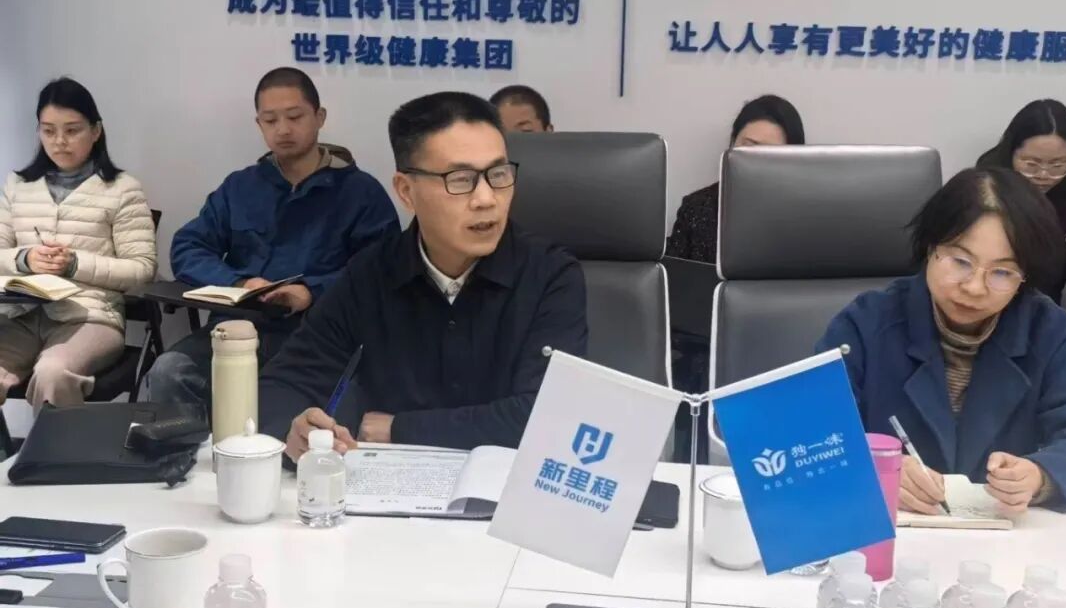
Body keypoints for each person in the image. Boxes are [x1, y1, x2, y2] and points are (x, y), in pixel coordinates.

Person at [259, 91, 587, 460]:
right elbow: (283, 383)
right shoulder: (371, 274)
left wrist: (399, 428)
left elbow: (547, 416)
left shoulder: (549, 275)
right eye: (460, 179)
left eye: (498, 174)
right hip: (389, 486)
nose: (486, 199)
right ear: (406, 191)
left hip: (504, 484)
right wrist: (296, 428)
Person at [817, 167, 1066, 515]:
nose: (974, 287)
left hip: (1008, 536)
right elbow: (813, 432)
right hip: (892, 527)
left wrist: (1041, 476)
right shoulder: (865, 323)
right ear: (931, 247)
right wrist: (872, 468)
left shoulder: (1050, 331)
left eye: (1002, 272)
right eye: (960, 261)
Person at [145, 67, 397, 409]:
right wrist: (240, 283)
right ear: (259, 124)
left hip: (320, 335)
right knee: (169, 373)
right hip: (238, 329)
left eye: (295, 117)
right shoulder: (240, 186)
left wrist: (312, 292)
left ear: (319, 117)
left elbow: (380, 269)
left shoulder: (359, 192)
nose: (283, 129)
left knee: (317, 397)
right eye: (270, 120)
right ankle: (190, 447)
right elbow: (188, 246)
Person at [0, 78, 157, 410]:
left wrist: (74, 264)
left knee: (53, 373)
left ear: (95, 130)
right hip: (20, 315)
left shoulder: (122, 189)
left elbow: (143, 269)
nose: (59, 142)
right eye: (48, 131)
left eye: (72, 130)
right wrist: (25, 259)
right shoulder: (17, 186)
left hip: (91, 316)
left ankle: (60, 446)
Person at [667, 94, 805, 264]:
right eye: (749, 146)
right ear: (732, 143)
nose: (756, 159)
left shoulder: (804, 217)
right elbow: (675, 275)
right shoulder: (696, 208)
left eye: (771, 152)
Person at [976, 99, 1066, 318]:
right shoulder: (980, 194)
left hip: (1041, 319)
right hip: (979, 310)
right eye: (1031, 164)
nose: (1044, 175)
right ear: (1011, 154)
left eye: (1058, 165)